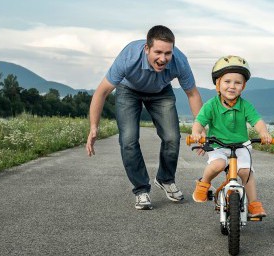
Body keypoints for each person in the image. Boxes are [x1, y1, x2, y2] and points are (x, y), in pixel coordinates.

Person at [86, 25, 203, 210]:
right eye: (158, 52)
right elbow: (102, 92)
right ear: (147, 48)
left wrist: (200, 126)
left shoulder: (179, 60)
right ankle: (141, 190)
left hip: (161, 91)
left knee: (172, 137)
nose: (163, 59)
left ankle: (165, 179)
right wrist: (94, 126)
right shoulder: (129, 57)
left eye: (168, 53)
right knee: (129, 139)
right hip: (128, 90)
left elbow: (193, 94)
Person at [189, 55, 271, 217]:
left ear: (243, 86)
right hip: (218, 145)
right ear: (218, 84)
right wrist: (196, 133)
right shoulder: (211, 105)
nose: (232, 86)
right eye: (227, 82)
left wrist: (264, 133)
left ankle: (254, 204)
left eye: (237, 82)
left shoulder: (245, 105)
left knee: (246, 172)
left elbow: (258, 121)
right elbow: (199, 122)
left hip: (241, 145)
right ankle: (203, 184)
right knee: (218, 164)